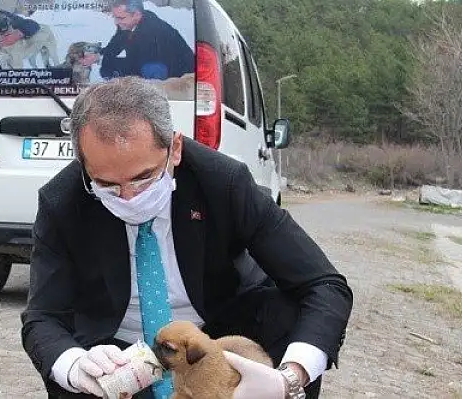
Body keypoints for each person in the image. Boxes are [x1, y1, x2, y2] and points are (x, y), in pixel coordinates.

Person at [20, 76, 353, 399]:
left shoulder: (224, 182)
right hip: (115, 351)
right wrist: (76, 366)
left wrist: (289, 380)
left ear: (174, 149)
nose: (127, 197)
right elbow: (42, 318)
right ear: (83, 165)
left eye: (143, 178)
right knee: (66, 373)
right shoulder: (62, 202)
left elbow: (324, 286)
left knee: (285, 312)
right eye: (107, 184)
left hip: (215, 337)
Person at [80, 0, 194, 80]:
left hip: (179, 79)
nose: (116, 22)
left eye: (120, 18)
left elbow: (136, 65)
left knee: (149, 69)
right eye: (115, 17)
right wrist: (98, 55)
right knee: (108, 67)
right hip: (151, 67)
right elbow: (115, 45)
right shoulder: (129, 23)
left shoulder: (152, 31)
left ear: (137, 15)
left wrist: (103, 62)